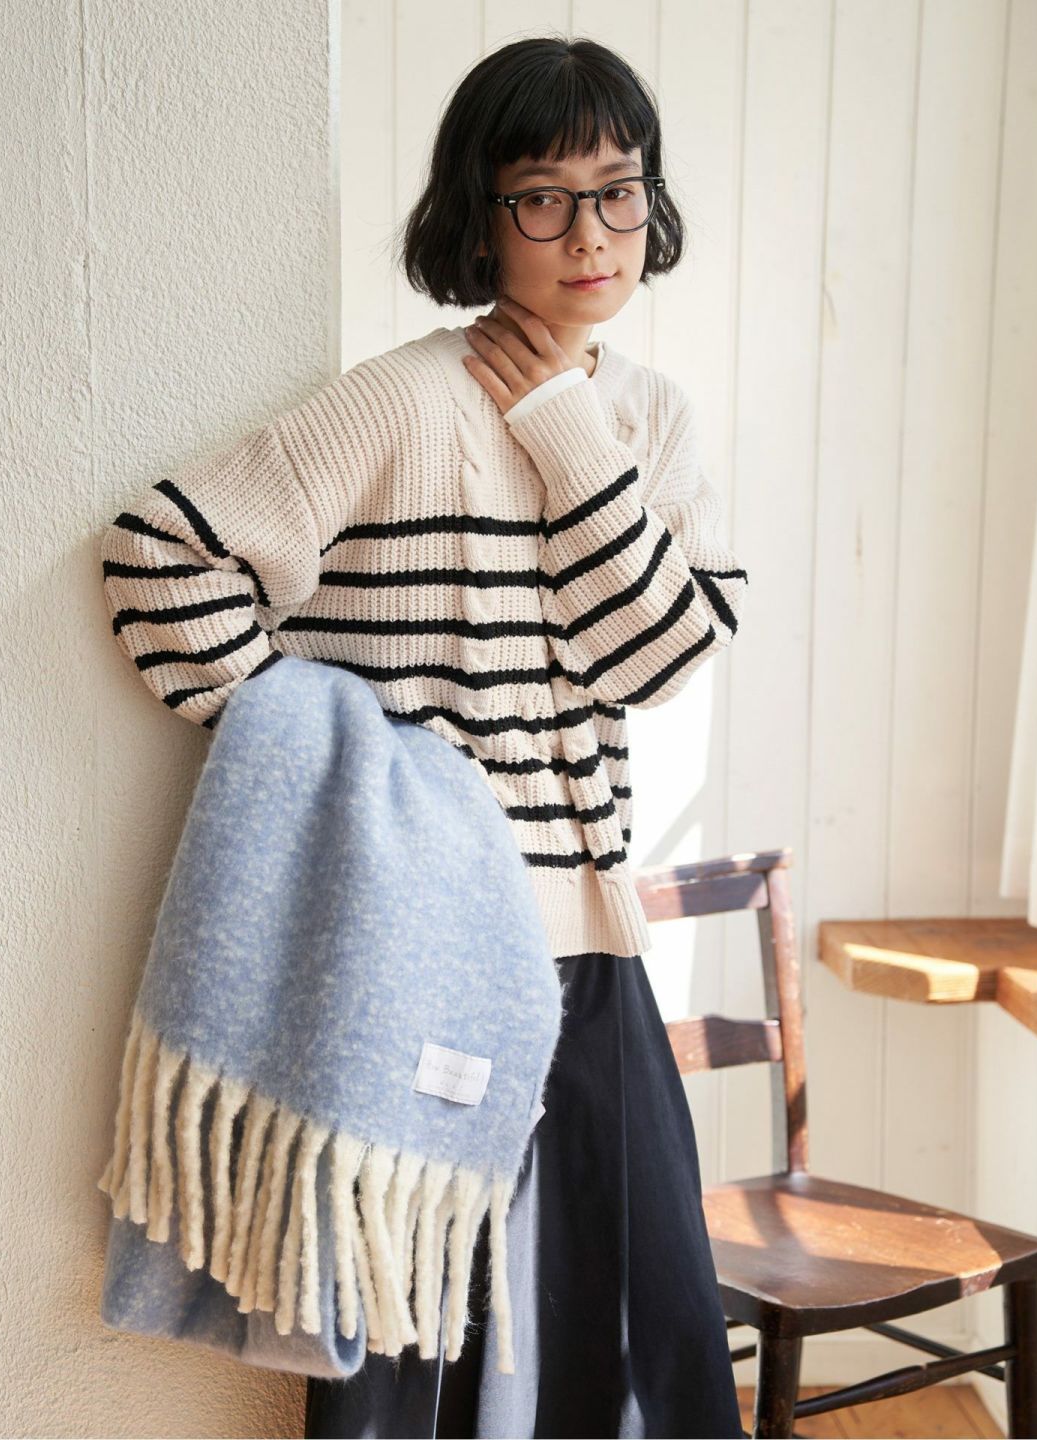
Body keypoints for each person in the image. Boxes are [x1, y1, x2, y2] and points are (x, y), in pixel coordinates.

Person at [99, 31, 748, 1440]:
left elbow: (663, 658)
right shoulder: (399, 400)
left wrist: (564, 425)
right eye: (544, 197)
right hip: (419, 943)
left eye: (619, 190)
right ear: (480, 213)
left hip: (589, 943)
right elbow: (158, 561)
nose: (591, 233)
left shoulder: (652, 422)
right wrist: (332, 758)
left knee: (639, 1342)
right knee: (411, 1345)